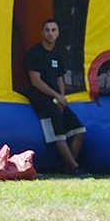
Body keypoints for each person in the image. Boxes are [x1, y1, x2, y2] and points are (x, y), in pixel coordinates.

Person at [24, 18, 86, 175]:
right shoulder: (34, 53)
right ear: (42, 33)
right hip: (41, 98)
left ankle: (68, 165)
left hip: (57, 99)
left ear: (58, 33)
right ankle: (74, 167)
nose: (50, 34)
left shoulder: (57, 55)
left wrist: (62, 98)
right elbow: (35, 81)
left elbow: (60, 79)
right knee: (58, 133)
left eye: (53, 30)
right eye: (47, 30)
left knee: (79, 130)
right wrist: (56, 96)